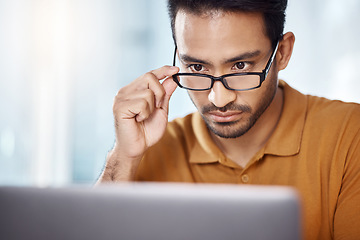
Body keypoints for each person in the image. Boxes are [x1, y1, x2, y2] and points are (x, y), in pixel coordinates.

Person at [97, 0, 360, 239]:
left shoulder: (350, 134)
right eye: (198, 67)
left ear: (282, 53)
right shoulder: (150, 147)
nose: (218, 99)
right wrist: (125, 157)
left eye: (240, 66)